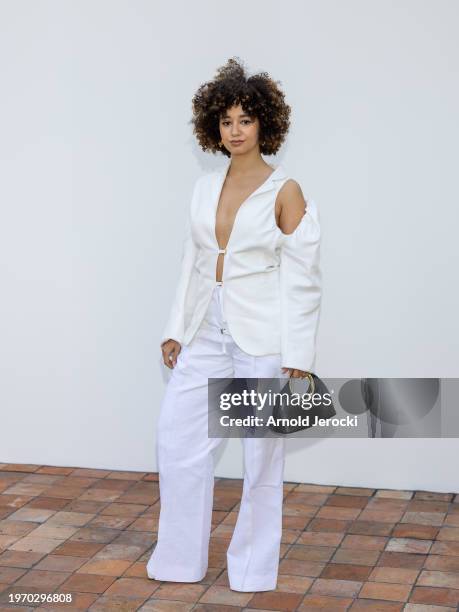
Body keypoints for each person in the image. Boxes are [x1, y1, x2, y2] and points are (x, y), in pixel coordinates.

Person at [146, 57, 322, 592]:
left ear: (265, 124)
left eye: (246, 120)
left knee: (260, 461)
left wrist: (298, 356)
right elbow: (192, 262)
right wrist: (176, 327)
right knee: (176, 442)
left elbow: (303, 277)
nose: (236, 131)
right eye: (226, 121)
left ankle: (251, 571)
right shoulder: (204, 187)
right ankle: (178, 562)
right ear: (213, 127)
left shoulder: (284, 190)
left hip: (263, 339)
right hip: (206, 333)